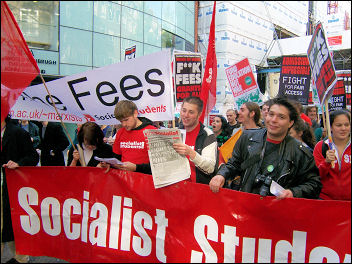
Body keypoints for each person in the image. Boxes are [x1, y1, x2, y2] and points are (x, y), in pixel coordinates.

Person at [209, 97, 322, 199]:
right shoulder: (247, 138)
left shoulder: (299, 151)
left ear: (290, 123)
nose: (273, 120)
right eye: (271, 114)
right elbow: (234, 164)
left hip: (278, 211)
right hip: (246, 205)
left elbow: (314, 184)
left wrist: (293, 192)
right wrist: (221, 175)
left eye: (281, 117)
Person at [1, 116, 39, 263]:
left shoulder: (18, 133)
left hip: (11, 187)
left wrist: (18, 163)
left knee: (11, 224)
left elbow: (33, 157)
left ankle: (21, 257)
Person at [173, 96, 218, 184]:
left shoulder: (207, 135)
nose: (186, 115)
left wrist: (191, 153)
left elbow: (210, 168)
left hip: (197, 189)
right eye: (184, 110)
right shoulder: (176, 132)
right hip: (177, 187)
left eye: (191, 112)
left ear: (199, 114)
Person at [313, 109, 351, 200]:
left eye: (347, 125)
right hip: (326, 201)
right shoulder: (321, 146)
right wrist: (326, 163)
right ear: (331, 127)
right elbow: (314, 176)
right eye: (338, 125)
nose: (343, 128)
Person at [112, 100, 156, 174]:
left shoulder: (152, 131)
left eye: (126, 120)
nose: (124, 124)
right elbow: (116, 158)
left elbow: (159, 164)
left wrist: (136, 168)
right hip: (125, 180)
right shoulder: (120, 132)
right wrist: (109, 164)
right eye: (121, 121)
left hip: (145, 180)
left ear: (135, 113)